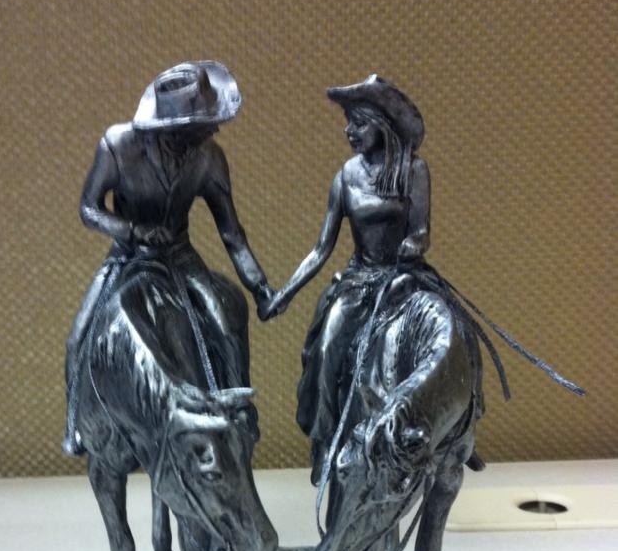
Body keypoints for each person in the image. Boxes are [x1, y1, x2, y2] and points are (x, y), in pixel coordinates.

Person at [63, 60, 273, 456]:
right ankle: (76, 423)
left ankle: (240, 411)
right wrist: (133, 231)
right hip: (128, 257)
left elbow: (231, 233)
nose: (213, 131)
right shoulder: (118, 145)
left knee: (226, 320)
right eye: (205, 125)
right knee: (78, 336)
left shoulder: (209, 158)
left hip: (180, 257)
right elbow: (88, 209)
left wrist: (259, 287)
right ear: (176, 127)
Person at [265, 74, 435, 483]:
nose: (349, 132)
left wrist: (412, 245)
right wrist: (285, 293)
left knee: (443, 340)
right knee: (326, 348)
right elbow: (321, 248)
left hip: (402, 279)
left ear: (383, 124)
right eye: (348, 123)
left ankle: (451, 424)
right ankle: (324, 441)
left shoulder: (413, 170)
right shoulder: (345, 176)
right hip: (359, 280)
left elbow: (421, 231)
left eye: (359, 123)